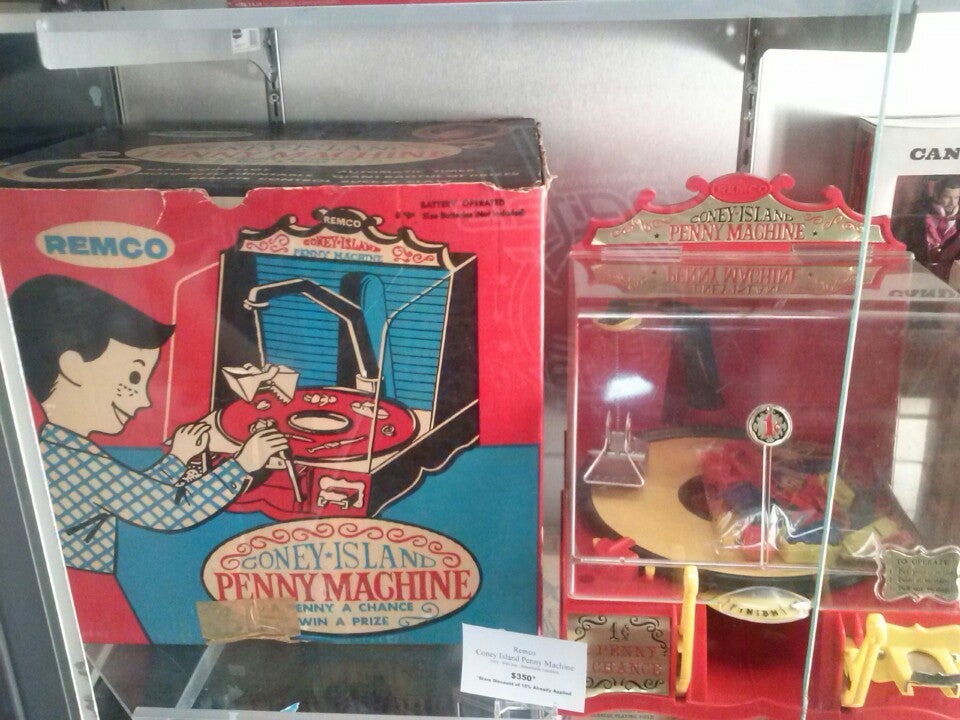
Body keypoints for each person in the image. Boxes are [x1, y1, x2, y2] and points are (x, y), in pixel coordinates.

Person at [9, 274, 288, 642]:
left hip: (84, 601)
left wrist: (177, 459)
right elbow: (168, 510)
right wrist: (242, 465)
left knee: (219, 621)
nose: (142, 400)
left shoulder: (62, 448)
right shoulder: (74, 462)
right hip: (87, 608)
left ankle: (279, 624)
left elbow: (134, 493)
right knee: (227, 623)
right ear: (73, 368)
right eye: (133, 377)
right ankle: (281, 624)